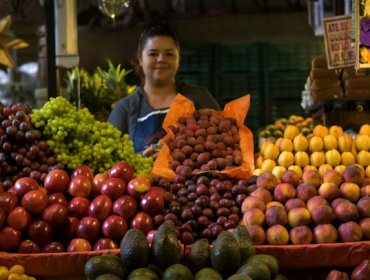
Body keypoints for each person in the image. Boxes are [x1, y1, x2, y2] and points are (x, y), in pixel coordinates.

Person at [108, 21, 220, 155]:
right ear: (140, 59)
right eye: (153, 54)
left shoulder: (198, 97)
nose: (161, 59)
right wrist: (142, 158)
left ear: (178, 59)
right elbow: (111, 160)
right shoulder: (125, 109)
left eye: (169, 54)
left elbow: (221, 141)